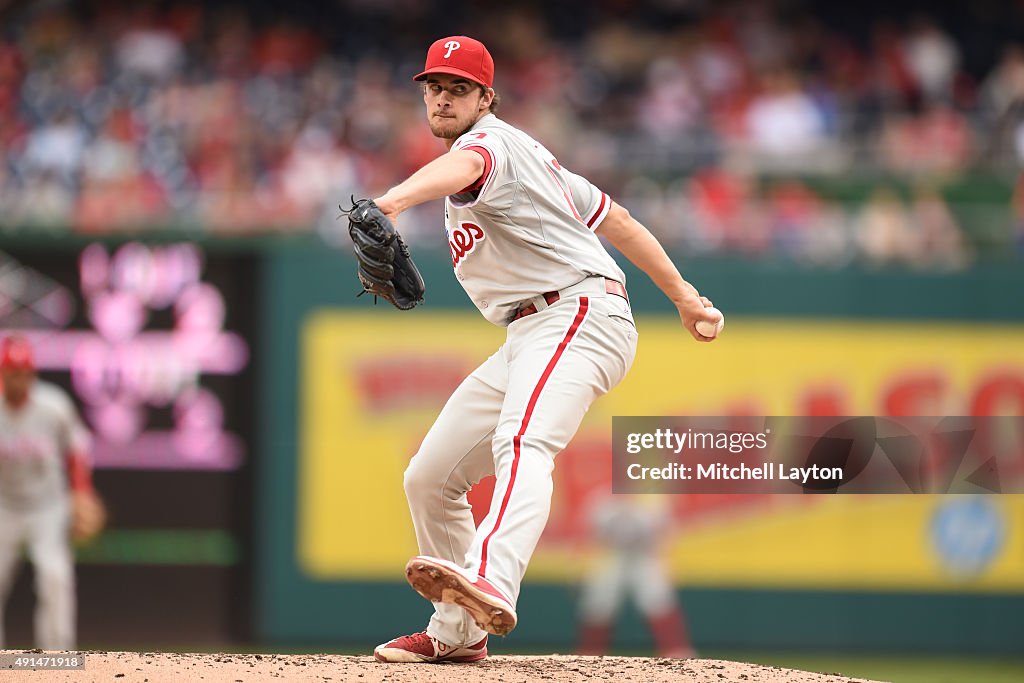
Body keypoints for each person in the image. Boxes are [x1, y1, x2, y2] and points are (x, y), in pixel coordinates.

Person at [372, 36, 720, 664]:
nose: (443, 98)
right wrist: (684, 296)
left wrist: (393, 201)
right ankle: (456, 634)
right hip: (532, 329)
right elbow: (617, 221)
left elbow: (467, 165)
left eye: (459, 88)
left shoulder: (494, 144)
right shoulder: (538, 162)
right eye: (434, 87)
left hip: (578, 312)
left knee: (523, 441)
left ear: (486, 97)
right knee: (431, 476)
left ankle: (492, 581)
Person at [0, 335, 102, 651]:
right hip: (4, 504)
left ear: (32, 373)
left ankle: (57, 662)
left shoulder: (53, 404)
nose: (19, 379)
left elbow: (77, 450)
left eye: (24, 372)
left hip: (48, 505)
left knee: (55, 577)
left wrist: (82, 493)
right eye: (12, 372)